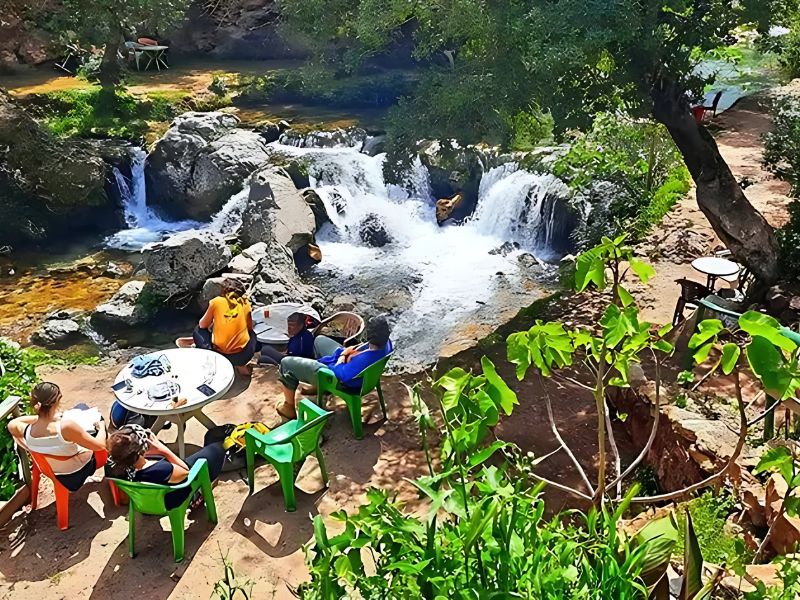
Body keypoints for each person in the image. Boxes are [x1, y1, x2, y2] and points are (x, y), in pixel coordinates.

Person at [276, 315, 393, 419]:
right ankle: (320, 387)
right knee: (319, 340)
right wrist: (349, 351)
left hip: (340, 379)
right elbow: (364, 347)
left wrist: (342, 357)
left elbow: (341, 374)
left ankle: (289, 407)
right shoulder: (386, 343)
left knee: (286, 363)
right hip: (358, 371)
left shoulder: (364, 360)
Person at [7, 382, 108, 492]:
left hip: (51, 471)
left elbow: (14, 423)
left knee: (81, 408)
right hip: (76, 475)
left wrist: (44, 417)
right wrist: (101, 426)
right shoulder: (66, 427)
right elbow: (100, 446)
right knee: (96, 419)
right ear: (57, 401)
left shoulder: (25, 430)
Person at [106, 426, 225, 510]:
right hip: (171, 499)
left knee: (211, 442)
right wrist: (163, 450)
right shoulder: (161, 469)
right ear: (140, 451)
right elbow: (185, 472)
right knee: (217, 448)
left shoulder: (113, 467)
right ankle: (197, 495)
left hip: (143, 502)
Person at [194, 278, 257, 374]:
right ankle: (241, 366)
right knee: (253, 334)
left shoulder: (216, 302)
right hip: (242, 356)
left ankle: (212, 358)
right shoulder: (246, 303)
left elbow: (202, 325)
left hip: (220, 355)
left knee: (198, 330)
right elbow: (249, 329)